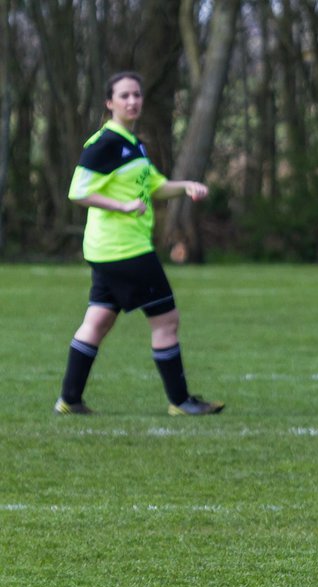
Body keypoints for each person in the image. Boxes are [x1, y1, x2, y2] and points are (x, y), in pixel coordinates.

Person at [55, 71, 223, 417]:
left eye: (137, 95)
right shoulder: (105, 143)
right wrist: (122, 206)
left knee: (97, 321)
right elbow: (78, 190)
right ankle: (181, 401)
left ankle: (69, 401)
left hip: (109, 251)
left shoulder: (134, 144)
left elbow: (155, 187)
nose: (132, 101)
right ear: (109, 102)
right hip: (124, 250)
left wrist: (186, 186)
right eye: (124, 96)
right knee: (166, 320)